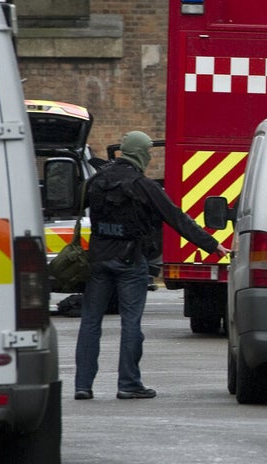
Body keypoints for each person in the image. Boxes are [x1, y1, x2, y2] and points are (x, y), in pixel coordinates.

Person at [74, 131, 227, 400]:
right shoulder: (143, 186)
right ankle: (128, 384)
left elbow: (74, 202)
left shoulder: (96, 181)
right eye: (148, 151)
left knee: (90, 322)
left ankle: (82, 385)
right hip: (131, 262)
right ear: (140, 153)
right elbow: (177, 219)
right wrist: (212, 245)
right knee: (130, 323)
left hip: (98, 260)